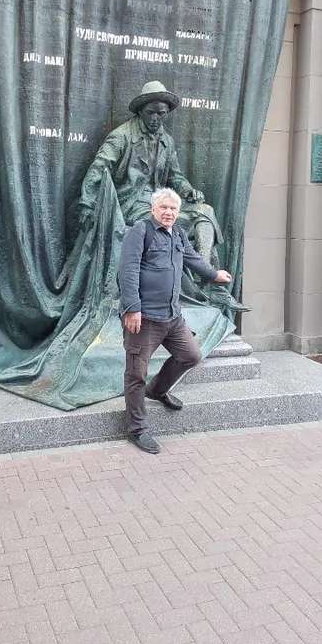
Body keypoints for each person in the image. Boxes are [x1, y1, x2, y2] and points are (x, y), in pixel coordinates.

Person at [119, 187, 233, 454]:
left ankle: (157, 390)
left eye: (173, 209)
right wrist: (132, 308)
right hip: (144, 318)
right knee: (136, 373)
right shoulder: (140, 232)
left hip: (172, 316)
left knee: (190, 356)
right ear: (153, 209)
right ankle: (137, 430)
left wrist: (215, 274)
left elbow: (193, 260)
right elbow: (128, 270)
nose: (168, 212)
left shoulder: (179, 234)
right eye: (164, 208)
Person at [80, 80, 222, 264]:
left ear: (167, 113)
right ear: (140, 111)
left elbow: (175, 176)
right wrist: (87, 204)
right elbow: (99, 168)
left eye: (161, 113)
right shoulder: (122, 136)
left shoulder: (167, 141)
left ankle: (203, 271)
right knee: (161, 222)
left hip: (160, 201)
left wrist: (187, 190)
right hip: (131, 203)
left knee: (205, 211)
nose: (155, 118)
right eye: (150, 112)